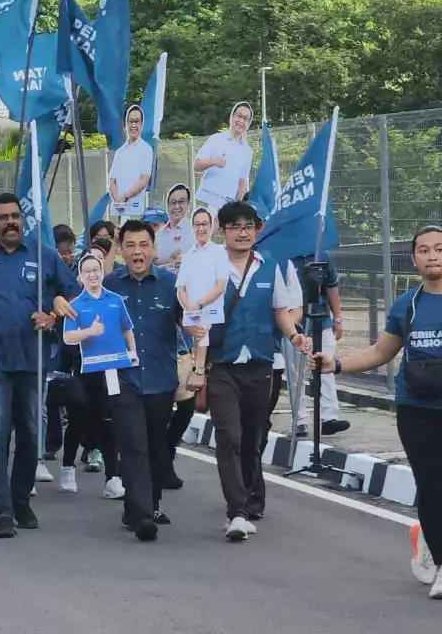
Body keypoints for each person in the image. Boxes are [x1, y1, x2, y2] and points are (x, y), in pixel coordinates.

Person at [312, 225, 442, 599]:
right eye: (424, 250)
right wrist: (335, 366)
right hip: (416, 409)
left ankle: (428, 538)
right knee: (433, 487)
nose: (432, 255)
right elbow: (381, 352)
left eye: (438, 249)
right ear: (414, 258)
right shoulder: (408, 305)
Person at [0, 193, 77, 538]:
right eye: (2, 217)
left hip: (32, 358)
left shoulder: (45, 255)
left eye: (15, 216)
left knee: (31, 434)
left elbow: (72, 295)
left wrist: (53, 314)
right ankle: (3, 513)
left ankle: (20, 499)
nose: (11, 222)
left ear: (22, 221)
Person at [186, 200, 305, 542]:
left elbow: (281, 311)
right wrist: (198, 367)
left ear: (256, 230)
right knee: (230, 436)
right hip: (222, 367)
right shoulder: (209, 269)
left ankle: (250, 496)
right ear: (222, 232)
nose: (243, 232)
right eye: (235, 226)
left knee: (253, 439)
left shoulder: (270, 267)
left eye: (248, 226)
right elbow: (201, 323)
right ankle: (236, 511)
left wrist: (295, 337)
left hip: (260, 365)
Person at [104, 220, 187, 540]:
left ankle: (145, 504)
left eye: (143, 245)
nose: (137, 252)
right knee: (133, 444)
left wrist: (196, 329)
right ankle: (141, 515)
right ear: (122, 250)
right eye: (130, 246)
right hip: (121, 378)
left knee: (154, 446)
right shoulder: (109, 285)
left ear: (153, 249)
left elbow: (189, 320)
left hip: (160, 379)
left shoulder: (171, 284)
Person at [61, 254, 130, 503]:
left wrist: (131, 354)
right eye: (87, 270)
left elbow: (126, 329)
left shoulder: (115, 300)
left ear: (103, 272)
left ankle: (112, 477)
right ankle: (68, 466)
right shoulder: (76, 305)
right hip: (83, 368)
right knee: (79, 417)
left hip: (110, 369)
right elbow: (68, 338)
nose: (92, 274)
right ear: (80, 276)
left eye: (96, 269)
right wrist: (89, 332)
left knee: (108, 419)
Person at [281, 252, 349, 437]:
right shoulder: (283, 256)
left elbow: (331, 286)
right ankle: (300, 420)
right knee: (295, 374)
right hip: (293, 324)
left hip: (321, 320)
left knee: (326, 367)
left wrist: (338, 318)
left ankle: (329, 417)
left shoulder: (321, 254)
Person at [194, 102, 254, 211]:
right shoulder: (216, 139)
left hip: (227, 207)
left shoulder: (247, 150)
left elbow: (242, 182)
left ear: (249, 124)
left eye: (245, 118)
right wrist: (213, 162)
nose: (241, 121)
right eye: (239, 116)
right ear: (232, 117)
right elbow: (196, 166)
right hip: (207, 200)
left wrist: (236, 207)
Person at [176, 207, 229, 327]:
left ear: (211, 226)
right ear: (192, 228)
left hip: (214, 320)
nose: (201, 228)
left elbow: (221, 286)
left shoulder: (220, 253)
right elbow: (181, 290)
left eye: (204, 224)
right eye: (197, 224)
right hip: (192, 322)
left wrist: (199, 305)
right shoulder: (187, 257)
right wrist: (189, 308)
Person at [108, 105, 154, 217]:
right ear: (126, 124)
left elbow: (144, 180)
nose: (134, 125)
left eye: (137, 122)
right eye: (131, 121)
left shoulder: (146, 149)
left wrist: (125, 197)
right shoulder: (119, 152)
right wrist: (118, 200)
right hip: (118, 211)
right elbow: (112, 181)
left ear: (142, 125)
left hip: (136, 210)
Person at [155, 184, 193, 271]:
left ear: (188, 205)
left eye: (181, 202)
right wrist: (169, 261)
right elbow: (153, 261)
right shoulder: (158, 235)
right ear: (167, 206)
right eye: (173, 202)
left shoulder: (195, 232)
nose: (176, 206)